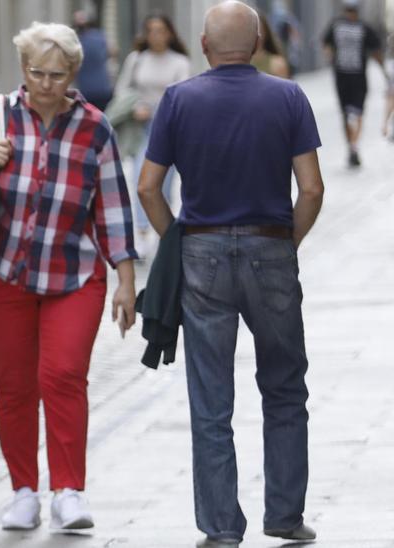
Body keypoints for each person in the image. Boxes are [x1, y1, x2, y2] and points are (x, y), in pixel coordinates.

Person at [0, 21, 137, 531]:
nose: (44, 83)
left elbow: (112, 207)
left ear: (73, 72)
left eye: (56, 74)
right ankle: (23, 490)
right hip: (5, 275)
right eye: (35, 72)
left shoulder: (94, 128)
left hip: (73, 275)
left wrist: (126, 280)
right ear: (24, 68)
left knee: (63, 377)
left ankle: (69, 490)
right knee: (14, 385)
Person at [136, 3, 325, 545]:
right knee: (285, 387)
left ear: (202, 45)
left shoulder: (179, 99)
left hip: (203, 254)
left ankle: (221, 527)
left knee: (211, 397)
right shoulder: (287, 96)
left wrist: (176, 236)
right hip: (270, 249)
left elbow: (149, 186)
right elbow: (311, 188)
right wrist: (288, 242)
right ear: (259, 41)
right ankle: (285, 515)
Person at [118, 14, 190, 254]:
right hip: (142, 126)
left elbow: (183, 93)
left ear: (169, 33)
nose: (156, 35)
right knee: (140, 175)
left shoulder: (179, 62)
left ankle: (163, 233)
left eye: (161, 30)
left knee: (166, 180)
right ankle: (141, 232)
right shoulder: (136, 59)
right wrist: (136, 105)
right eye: (152, 30)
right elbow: (123, 88)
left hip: (169, 127)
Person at [323, 0, 384, 167]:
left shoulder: (341, 26)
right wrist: (383, 71)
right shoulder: (357, 27)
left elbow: (326, 43)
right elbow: (376, 49)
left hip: (348, 77)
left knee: (351, 113)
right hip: (351, 77)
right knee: (352, 113)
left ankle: (352, 146)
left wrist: (330, 57)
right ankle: (353, 146)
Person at [73, 8, 115, 111]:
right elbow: (112, 52)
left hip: (85, 91)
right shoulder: (99, 36)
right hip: (103, 88)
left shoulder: (75, 41)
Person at [252, 9, 290, 78]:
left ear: (265, 31)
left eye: (259, 29)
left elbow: (284, 87)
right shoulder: (239, 62)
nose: (256, 34)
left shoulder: (277, 63)